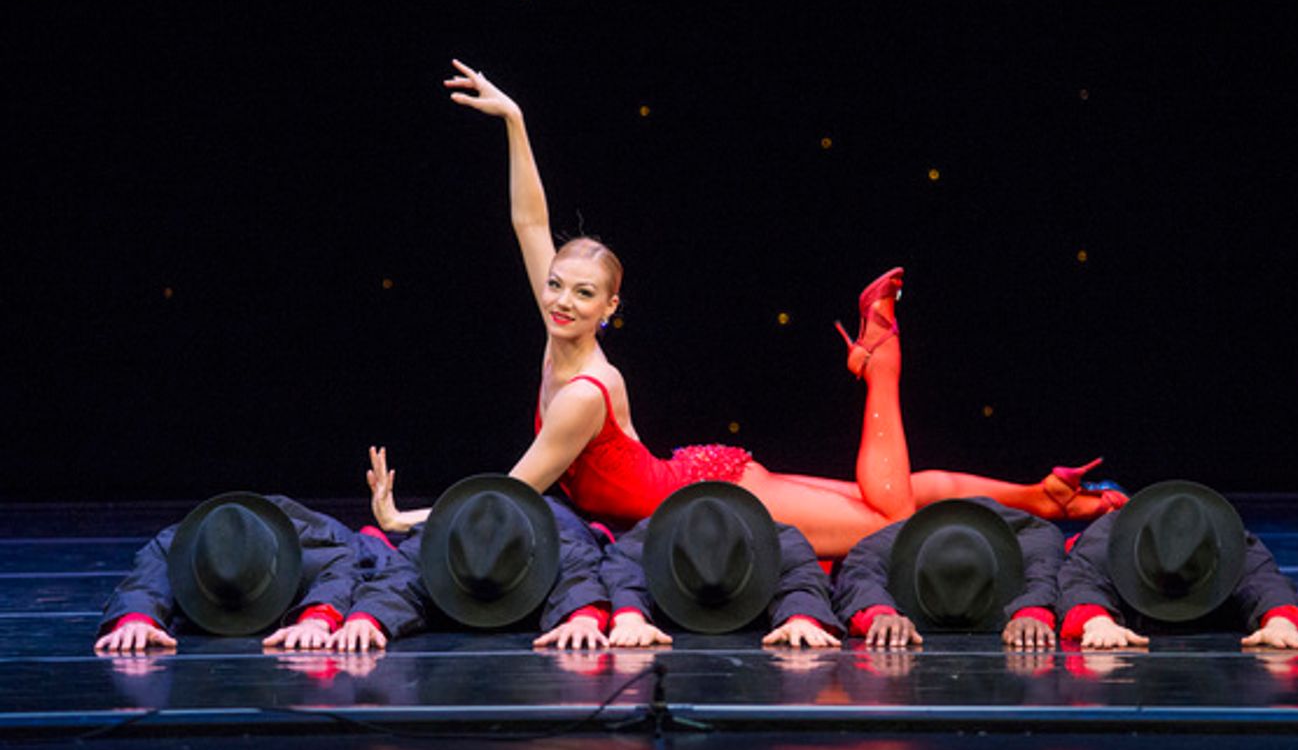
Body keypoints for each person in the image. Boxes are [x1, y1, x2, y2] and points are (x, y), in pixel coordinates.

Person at [365, 61, 1126, 557]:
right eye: (557, 286)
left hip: (718, 498)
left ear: (611, 309)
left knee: (890, 521)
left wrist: (407, 520)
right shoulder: (557, 334)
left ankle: (882, 364)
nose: (560, 300)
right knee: (880, 501)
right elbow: (531, 223)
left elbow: (510, 490)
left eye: (582, 293)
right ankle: (1040, 496)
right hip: (702, 478)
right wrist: (516, 119)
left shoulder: (585, 394)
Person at [327, 475, 611, 652]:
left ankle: (598, 530)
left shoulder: (560, 542)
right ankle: (377, 543)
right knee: (384, 559)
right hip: (440, 538)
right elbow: (396, 579)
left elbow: (582, 576)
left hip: (559, 519)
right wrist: (365, 619)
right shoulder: (434, 544)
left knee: (596, 541)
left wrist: (583, 619)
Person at [94, 493, 399, 653]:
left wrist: (318, 619)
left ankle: (371, 535)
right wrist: (136, 619)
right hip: (238, 527)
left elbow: (341, 567)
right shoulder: (187, 545)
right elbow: (146, 575)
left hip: (309, 533)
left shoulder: (311, 548)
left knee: (375, 559)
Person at [1056, 480, 1298, 650]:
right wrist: (1096, 621)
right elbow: (1079, 579)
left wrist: (1281, 622)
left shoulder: (1228, 543)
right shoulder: (1106, 539)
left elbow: (1266, 582)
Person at [598, 482, 841, 648]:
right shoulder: (654, 537)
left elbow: (801, 577)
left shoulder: (780, 541)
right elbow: (622, 568)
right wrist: (630, 616)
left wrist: (800, 618)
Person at [832, 498, 1064, 650]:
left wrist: (1032, 612)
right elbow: (860, 570)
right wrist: (879, 614)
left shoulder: (1032, 535)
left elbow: (1046, 569)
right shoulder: (886, 542)